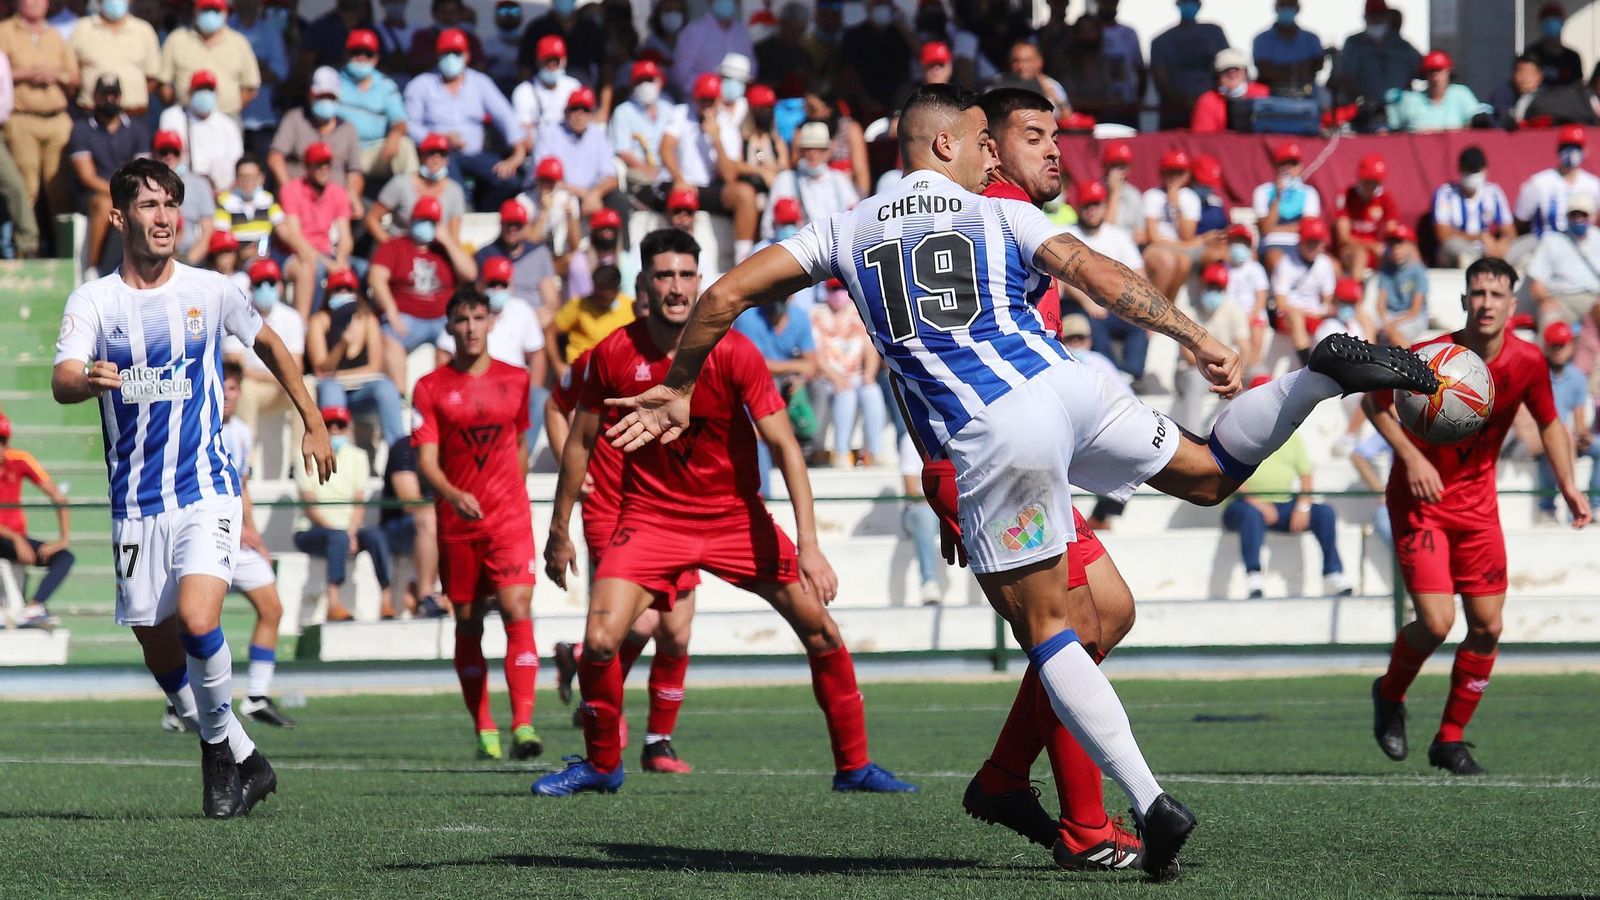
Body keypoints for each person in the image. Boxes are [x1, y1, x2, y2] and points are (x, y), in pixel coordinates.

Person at [605, 83, 1441, 879]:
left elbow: (720, 296)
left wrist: (679, 384)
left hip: (991, 430)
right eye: (983, 145)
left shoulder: (844, 227)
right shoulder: (993, 210)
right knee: (1212, 473)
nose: (990, 161)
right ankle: (1319, 378)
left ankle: (1146, 804)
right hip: (1069, 385)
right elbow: (1099, 275)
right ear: (946, 143)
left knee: (1053, 631)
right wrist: (1193, 337)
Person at [535, 227, 912, 798]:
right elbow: (580, 444)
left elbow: (785, 446)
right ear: (644, 283)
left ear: (701, 281)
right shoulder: (613, 353)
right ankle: (602, 765)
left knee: (822, 631)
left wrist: (809, 543)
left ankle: (854, 766)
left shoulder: (734, 351)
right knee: (601, 640)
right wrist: (558, 530)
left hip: (735, 518)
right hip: (652, 518)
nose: (677, 286)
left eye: (687, 274)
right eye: (664, 275)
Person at [52, 158, 334, 818]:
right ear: (119, 217)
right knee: (157, 640)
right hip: (133, 501)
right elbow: (63, 377)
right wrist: (88, 379)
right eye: (149, 205)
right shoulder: (94, 300)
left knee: (200, 619)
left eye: (171, 204)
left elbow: (269, 344)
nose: (164, 217)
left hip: (205, 487)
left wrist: (312, 418)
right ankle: (248, 760)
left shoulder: (212, 289)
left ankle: (214, 755)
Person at [1366, 257, 1592, 777]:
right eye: (1478, 292)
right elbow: (1378, 405)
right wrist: (1413, 456)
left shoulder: (1528, 362)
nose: (1487, 302)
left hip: (1477, 509)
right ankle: (1389, 692)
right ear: (1465, 301)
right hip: (1421, 502)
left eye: (1497, 294)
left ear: (1513, 305)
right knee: (1438, 623)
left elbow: (1552, 423)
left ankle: (1449, 739)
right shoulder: (1430, 355)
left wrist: (1569, 487)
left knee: (1487, 628)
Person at [413, 287, 542, 761]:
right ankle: (484, 725)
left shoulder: (518, 379)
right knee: (468, 624)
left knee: (517, 609)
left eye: (478, 318)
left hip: (508, 520)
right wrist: (452, 494)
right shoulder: (430, 387)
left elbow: (522, 444)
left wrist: (512, 490)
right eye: (461, 319)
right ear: (449, 327)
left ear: (492, 323)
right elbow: (426, 461)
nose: (470, 327)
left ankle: (524, 723)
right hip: (458, 524)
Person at [213, 361, 294, 728]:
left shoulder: (242, 433)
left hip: (238, 538)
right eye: (221, 387)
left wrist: (253, 531)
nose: (227, 396)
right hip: (207, 535)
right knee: (197, 620)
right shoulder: (198, 430)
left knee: (272, 607)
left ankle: (256, 696)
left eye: (232, 389)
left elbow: (241, 486)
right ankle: (179, 704)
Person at [403, 28, 528, 210]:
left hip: (475, 153)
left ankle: (483, 211)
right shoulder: (421, 84)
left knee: (509, 180)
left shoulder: (480, 82)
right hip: (440, 155)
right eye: (446, 53)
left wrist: (518, 151)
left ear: (467, 56)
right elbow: (409, 125)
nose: (451, 58)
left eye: (456, 53)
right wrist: (441, 138)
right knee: (454, 190)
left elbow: (504, 115)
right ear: (437, 55)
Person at [1221, 430, 1351, 599]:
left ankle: (1333, 572)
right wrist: (1258, 503)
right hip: (1241, 503)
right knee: (1251, 514)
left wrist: (1303, 506)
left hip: (1281, 505)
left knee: (1324, 513)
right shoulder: (1240, 433)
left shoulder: (1290, 435)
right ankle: (1254, 575)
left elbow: (1306, 473)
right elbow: (1225, 473)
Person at [434, 256, 547, 449]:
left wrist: (531, 387)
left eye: (501, 284)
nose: (497, 290)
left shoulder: (522, 310)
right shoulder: (463, 311)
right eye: (491, 284)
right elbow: (443, 353)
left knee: (540, 396)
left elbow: (537, 354)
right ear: (480, 284)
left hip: (514, 388)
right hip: (471, 383)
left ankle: (521, 456)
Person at [293, 404, 393, 622]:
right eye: (329, 425)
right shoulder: (305, 454)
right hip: (312, 530)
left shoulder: (358, 457)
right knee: (337, 537)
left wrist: (352, 532)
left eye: (341, 424)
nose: (335, 429)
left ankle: (387, 599)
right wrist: (345, 535)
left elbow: (359, 502)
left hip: (346, 531)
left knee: (376, 536)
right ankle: (333, 601)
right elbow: (310, 507)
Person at [368, 194, 478, 387]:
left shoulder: (444, 250)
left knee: (457, 338)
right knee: (388, 337)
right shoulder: (395, 246)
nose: (426, 225)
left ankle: (449, 395)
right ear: (412, 220)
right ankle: (401, 395)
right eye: (423, 220)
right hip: (406, 316)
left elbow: (470, 273)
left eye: (431, 221)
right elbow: (376, 277)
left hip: (444, 318)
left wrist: (448, 241)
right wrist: (391, 311)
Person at [660, 73, 760, 265]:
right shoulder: (681, 113)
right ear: (695, 98)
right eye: (703, 100)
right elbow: (666, 148)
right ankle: (676, 253)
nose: (707, 105)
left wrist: (716, 139)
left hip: (709, 187)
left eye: (711, 100)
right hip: (680, 181)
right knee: (681, 197)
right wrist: (679, 178)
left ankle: (743, 258)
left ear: (719, 99)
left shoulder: (727, 125)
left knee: (745, 194)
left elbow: (730, 176)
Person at [304, 268, 407, 454]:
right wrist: (342, 344)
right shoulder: (319, 321)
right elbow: (320, 366)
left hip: (361, 391)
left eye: (348, 289)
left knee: (386, 388)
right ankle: (334, 454)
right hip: (331, 390)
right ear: (329, 293)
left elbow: (375, 366)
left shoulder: (368, 320)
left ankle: (399, 453)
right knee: (331, 389)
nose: (344, 294)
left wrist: (340, 375)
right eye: (338, 290)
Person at [0, 0, 79, 220]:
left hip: (57, 120)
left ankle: (64, 247)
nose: (35, 3)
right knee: (27, 187)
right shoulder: (5, 32)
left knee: (60, 187)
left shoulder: (55, 34)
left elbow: (73, 77)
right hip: (22, 119)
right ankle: (26, 247)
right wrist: (28, 74)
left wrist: (56, 76)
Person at [1067, 179, 1150, 389]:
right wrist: (1088, 303)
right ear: (1079, 207)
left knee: (1138, 324)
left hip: (1114, 304)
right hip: (1081, 304)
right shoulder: (1067, 235)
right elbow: (1062, 278)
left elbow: (1138, 275)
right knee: (1093, 324)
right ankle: (1111, 374)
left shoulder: (1118, 236)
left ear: (1104, 206)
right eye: (1087, 205)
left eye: (1096, 204)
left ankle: (1132, 374)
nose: (1092, 210)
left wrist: (1146, 308)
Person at [223, 257, 307, 459]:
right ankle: (247, 461)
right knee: (245, 390)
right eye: (260, 283)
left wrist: (277, 377)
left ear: (280, 286)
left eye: (271, 282)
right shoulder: (237, 314)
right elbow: (236, 367)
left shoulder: (292, 317)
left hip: (280, 386)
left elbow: (298, 367)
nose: (266, 288)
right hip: (258, 385)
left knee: (308, 388)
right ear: (251, 287)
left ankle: (299, 461)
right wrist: (278, 376)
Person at [68, 75, 150, 275]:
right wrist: (119, 193)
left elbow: (142, 169)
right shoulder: (82, 129)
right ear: (95, 96)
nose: (109, 99)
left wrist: (128, 193)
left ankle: (146, 268)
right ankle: (92, 268)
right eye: (105, 95)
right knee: (106, 203)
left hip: (129, 190)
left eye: (114, 95)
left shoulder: (137, 129)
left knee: (148, 204)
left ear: (120, 97)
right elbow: (87, 176)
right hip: (92, 194)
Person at [0, 413, 73, 630]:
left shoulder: (19, 461)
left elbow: (59, 497)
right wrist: (16, 538)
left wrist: (63, 539)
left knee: (64, 557)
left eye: (3, 441)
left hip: (12, 541)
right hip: (10, 539)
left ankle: (33, 607)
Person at [276, 142, 356, 318]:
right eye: (319, 165)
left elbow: (346, 236)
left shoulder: (338, 192)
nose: (324, 169)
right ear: (307, 167)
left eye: (327, 164)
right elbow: (295, 237)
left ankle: (355, 321)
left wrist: (341, 261)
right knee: (314, 269)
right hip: (297, 253)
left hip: (329, 253)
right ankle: (305, 324)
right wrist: (331, 265)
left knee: (363, 270)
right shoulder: (291, 190)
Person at [268, 67, 365, 212]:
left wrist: (351, 197)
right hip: (299, 200)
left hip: (334, 202)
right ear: (310, 95)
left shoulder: (348, 129)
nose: (325, 101)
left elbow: (355, 171)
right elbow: (275, 157)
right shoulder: (295, 119)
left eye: (330, 97)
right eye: (321, 96)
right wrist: (289, 192)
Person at [810, 279, 884, 468]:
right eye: (833, 289)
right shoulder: (816, 314)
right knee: (846, 393)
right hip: (827, 376)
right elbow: (815, 353)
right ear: (826, 291)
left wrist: (869, 373)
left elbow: (870, 346)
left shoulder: (857, 311)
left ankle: (873, 452)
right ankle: (841, 452)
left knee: (872, 392)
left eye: (841, 288)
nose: (838, 293)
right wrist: (835, 376)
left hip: (856, 374)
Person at [1172, 263, 1249, 433]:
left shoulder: (1233, 311)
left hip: (1222, 371)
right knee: (1194, 380)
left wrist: (1232, 370)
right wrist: (1220, 369)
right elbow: (1188, 356)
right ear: (1201, 287)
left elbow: (1245, 349)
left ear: (1225, 290)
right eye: (1210, 287)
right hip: (1192, 372)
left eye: (1218, 288)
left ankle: (1240, 436)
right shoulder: (1188, 313)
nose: (1213, 292)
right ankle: (1193, 437)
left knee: (1253, 379)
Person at [1535, 322, 1595, 525]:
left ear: (1571, 346)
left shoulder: (1576, 378)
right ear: (1546, 346)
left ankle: (1594, 503)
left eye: (1562, 344)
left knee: (1593, 445)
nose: (1558, 349)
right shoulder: (1537, 373)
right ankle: (1548, 507)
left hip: (1565, 436)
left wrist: (1583, 436)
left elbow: (1579, 422)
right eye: (1554, 345)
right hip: (1540, 436)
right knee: (1552, 445)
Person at [158, 0, 261, 120]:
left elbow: (250, 87)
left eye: (216, 11)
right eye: (205, 10)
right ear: (196, 11)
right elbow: (162, 83)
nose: (210, 14)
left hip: (227, 117)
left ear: (225, 12)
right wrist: (178, 106)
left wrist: (231, 109)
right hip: (185, 118)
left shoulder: (239, 42)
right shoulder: (176, 39)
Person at [338, 29, 415, 186]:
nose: (361, 57)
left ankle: (413, 202)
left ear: (376, 59)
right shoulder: (335, 80)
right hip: (339, 150)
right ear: (346, 55)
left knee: (405, 146)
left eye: (367, 53)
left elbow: (400, 122)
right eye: (356, 52)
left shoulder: (385, 85)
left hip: (371, 151)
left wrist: (395, 134)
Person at [379, 433, 444, 619]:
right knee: (430, 517)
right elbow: (409, 502)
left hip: (431, 523)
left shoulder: (453, 447)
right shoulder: (405, 447)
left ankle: (464, 596)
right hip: (398, 528)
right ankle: (425, 595)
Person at [1330, 0, 1421, 131]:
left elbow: (1419, 69)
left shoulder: (1402, 46)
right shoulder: (1354, 43)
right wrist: (1361, 102)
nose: (1377, 19)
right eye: (1373, 15)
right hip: (1365, 114)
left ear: (1386, 17)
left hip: (1399, 112)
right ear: (1365, 17)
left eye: (1380, 15)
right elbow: (1346, 76)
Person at [761, 122, 858, 239]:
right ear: (801, 151)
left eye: (819, 148)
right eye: (808, 149)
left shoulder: (840, 180)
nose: (813, 154)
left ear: (828, 151)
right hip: (795, 248)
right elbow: (767, 228)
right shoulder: (785, 180)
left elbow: (856, 220)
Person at [533, 87, 618, 218]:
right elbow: (545, 178)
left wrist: (595, 193)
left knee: (619, 199)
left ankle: (622, 239)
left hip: (591, 193)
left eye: (585, 110)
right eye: (575, 109)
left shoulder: (598, 135)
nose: (580, 115)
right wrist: (584, 194)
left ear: (591, 113)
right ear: (566, 112)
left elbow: (612, 178)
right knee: (563, 201)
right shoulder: (548, 133)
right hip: (560, 191)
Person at [368, 132, 468, 243]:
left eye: (442, 154)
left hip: (435, 252)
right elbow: (372, 219)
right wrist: (390, 247)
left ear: (447, 159)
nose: (436, 158)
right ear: (421, 156)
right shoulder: (401, 183)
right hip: (402, 245)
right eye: (431, 153)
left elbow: (454, 236)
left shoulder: (454, 191)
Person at [68, 0, 161, 118]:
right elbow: (71, 76)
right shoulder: (82, 28)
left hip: (134, 115)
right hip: (91, 115)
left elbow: (152, 78)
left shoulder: (144, 30)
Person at [157, 70, 245, 193]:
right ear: (189, 92)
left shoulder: (228, 125)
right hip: (183, 187)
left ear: (217, 93)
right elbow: (166, 155)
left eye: (209, 90)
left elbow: (237, 163)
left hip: (221, 190)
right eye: (199, 90)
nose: (204, 94)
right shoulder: (172, 116)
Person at [1513, 124, 1600, 243]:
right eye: (1567, 146)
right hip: (1544, 249)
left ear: (1584, 150)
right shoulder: (1538, 183)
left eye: (1576, 147)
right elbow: (1520, 222)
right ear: (1559, 149)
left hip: (1581, 248)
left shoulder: (1594, 185)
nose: (1572, 151)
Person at [1150, 0, 1229, 130]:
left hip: (1212, 114)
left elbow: (1226, 67)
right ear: (1177, 5)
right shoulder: (1161, 41)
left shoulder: (1214, 33)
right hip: (1175, 114)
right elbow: (1160, 81)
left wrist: (1207, 102)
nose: (1188, 5)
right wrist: (1185, 102)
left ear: (1199, 5)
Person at [1432, 146, 1513, 267]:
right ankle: (1475, 265)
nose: (1472, 177)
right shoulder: (1445, 193)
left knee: (1532, 242)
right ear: (1460, 170)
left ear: (1485, 170)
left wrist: (1502, 244)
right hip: (1461, 248)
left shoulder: (1494, 192)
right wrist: (1479, 237)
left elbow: (1510, 230)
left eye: (1476, 171)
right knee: (1453, 246)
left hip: (1489, 250)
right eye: (1468, 171)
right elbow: (1443, 235)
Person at [1271, 217, 1337, 362]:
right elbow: (1281, 303)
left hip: (1315, 314)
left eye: (1317, 242)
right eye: (1310, 242)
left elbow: (1327, 297)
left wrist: (1325, 309)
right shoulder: (1286, 262)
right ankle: (1307, 363)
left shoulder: (1325, 263)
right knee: (1296, 318)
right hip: (1288, 315)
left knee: (1337, 324)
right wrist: (1307, 312)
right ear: (1301, 241)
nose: (1313, 246)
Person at [1252, 141, 1321, 274]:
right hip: (1272, 245)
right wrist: (1278, 196)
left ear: (1301, 166)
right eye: (1284, 163)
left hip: (1302, 245)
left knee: (1332, 267)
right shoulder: (1262, 192)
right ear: (1276, 166)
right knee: (1279, 265)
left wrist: (1276, 228)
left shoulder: (1309, 193)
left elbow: (1308, 228)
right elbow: (1266, 229)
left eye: (1293, 163)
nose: (1288, 168)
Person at [839, 0, 915, 118]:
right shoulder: (853, 35)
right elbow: (848, 72)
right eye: (877, 3)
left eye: (885, 3)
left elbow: (920, 54)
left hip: (898, 107)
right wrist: (864, 100)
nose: (881, 7)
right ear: (868, 6)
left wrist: (902, 24)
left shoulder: (900, 34)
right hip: (864, 108)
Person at [550, 263, 633, 370]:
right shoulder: (579, 306)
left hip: (617, 370)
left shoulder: (631, 307)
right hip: (582, 370)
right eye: (596, 291)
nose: (598, 297)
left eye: (604, 296)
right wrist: (558, 366)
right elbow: (550, 332)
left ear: (616, 290)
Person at [667, 0, 753, 100]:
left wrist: (737, 88)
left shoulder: (742, 32)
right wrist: (710, 88)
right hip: (701, 105)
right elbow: (681, 75)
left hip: (736, 104)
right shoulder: (693, 31)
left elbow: (752, 67)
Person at [1333, 154, 1397, 284]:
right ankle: (1353, 297)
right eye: (1369, 181)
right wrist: (1372, 246)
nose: (1372, 186)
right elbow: (1344, 238)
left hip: (1377, 252)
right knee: (1360, 255)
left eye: (1376, 182)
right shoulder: (1345, 196)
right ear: (1360, 179)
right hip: (1350, 251)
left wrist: (1391, 248)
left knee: (1406, 252)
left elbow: (1393, 231)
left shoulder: (1386, 199)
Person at [1387, 50, 1485, 133]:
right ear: (1425, 74)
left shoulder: (1461, 94)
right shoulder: (1411, 100)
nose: (1435, 77)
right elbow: (1391, 130)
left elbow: (1477, 124)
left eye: (1439, 71)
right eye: (1431, 71)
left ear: (1448, 72)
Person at [1251, 0, 1323, 98]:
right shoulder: (1261, 39)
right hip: (1270, 90)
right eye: (1283, 6)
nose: (1287, 10)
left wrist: (1282, 68)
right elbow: (1264, 70)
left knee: (1325, 100)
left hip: (1306, 89)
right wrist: (1300, 68)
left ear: (1297, 9)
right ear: (1276, 8)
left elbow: (1317, 66)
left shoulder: (1311, 38)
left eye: (1290, 6)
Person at [1222, 224, 1271, 369]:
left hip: (1252, 314)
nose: (1238, 246)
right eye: (1234, 242)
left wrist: (1248, 318)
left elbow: (1261, 297)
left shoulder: (1255, 268)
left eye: (1242, 243)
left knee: (1257, 329)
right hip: (1230, 315)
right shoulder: (1223, 267)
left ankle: (1253, 367)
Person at [511, 34, 581, 135]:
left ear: (564, 60)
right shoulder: (524, 91)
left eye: (556, 60)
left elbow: (582, 125)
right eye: (547, 60)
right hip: (538, 147)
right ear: (538, 61)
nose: (551, 65)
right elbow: (524, 136)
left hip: (569, 145)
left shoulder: (573, 87)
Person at [1190, 47, 1267, 134]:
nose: (1232, 75)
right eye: (1226, 70)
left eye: (1236, 70)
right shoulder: (1207, 101)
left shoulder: (1262, 94)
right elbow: (1202, 138)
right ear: (1217, 76)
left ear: (1245, 73)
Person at [1374, 225, 1429, 347]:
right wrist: (1384, 321)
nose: (1396, 248)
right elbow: (1380, 303)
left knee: (1394, 333)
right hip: (1391, 314)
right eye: (1393, 244)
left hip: (1414, 317)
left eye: (1400, 244)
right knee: (1370, 327)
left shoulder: (1418, 271)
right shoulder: (1386, 270)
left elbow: (1415, 310)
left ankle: (1410, 363)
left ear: (1411, 246)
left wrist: (1392, 324)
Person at [1525, 0, 1583, 87]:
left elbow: (1579, 87)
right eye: (1547, 20)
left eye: (1555, 19)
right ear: (1541, 23)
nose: (1551, 24)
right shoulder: (1531, 54)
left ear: (1562, 22)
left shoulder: (1573, 57)